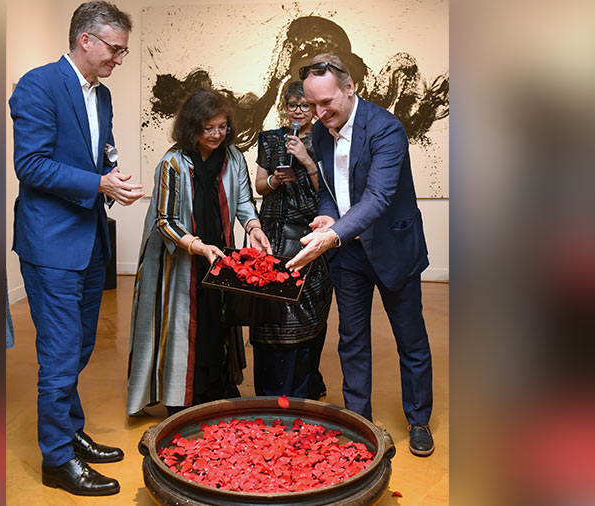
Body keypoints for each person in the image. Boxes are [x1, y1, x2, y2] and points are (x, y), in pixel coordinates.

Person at [9, 1, 144, 496]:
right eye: (115, 48)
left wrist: (112, 172)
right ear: (85, 40)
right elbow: (32, 164)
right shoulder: (37, 86)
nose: (119, 58)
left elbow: (99, 149)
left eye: (124, 51)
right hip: (51, 243)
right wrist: (99, 184)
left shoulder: (102, 95)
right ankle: (57, 459)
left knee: (81, 345)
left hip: (89, 240)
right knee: (61, 353)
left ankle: (68, 429)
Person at [286, 54, 435, 457]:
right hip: (348, 254)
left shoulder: (386, 129)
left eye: (326, 103)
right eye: (312, 104)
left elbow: (380, 196)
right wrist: (327, 216)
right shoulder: (319, 133)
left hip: (393, 249)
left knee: (411, 340)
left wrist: (332, 233)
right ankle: (358, 421)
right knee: (351, 340)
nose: (318, 113)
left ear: (350, 89)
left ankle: (419, 420)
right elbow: (329, 191)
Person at [127, 88, 271, 416]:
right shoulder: (173, 163)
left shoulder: (234, 157)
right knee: (180, 327)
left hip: (217, 254)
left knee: (217, 320)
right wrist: (198, 245)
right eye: (209, 128)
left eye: (222, 127)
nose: (217, 134)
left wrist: (255, 229)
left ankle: (216, 385)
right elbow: (164, 221)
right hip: (177, 260)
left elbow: (245, 202)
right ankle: (181, 395)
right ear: (192, 128)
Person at [249, 81, 333, 399]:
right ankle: (271, 391)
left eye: (305, 105)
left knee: (309, 310)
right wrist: (274, 178)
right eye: (292, 105)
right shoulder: (270, 139)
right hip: (271, 233)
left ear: (314, 107)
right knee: (270, 312)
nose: (298, 111)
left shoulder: (326, 140)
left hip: (310, 233)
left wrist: (307, 161)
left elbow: (328, 193)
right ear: (284, 106)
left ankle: (305, 385)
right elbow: (260, 185)